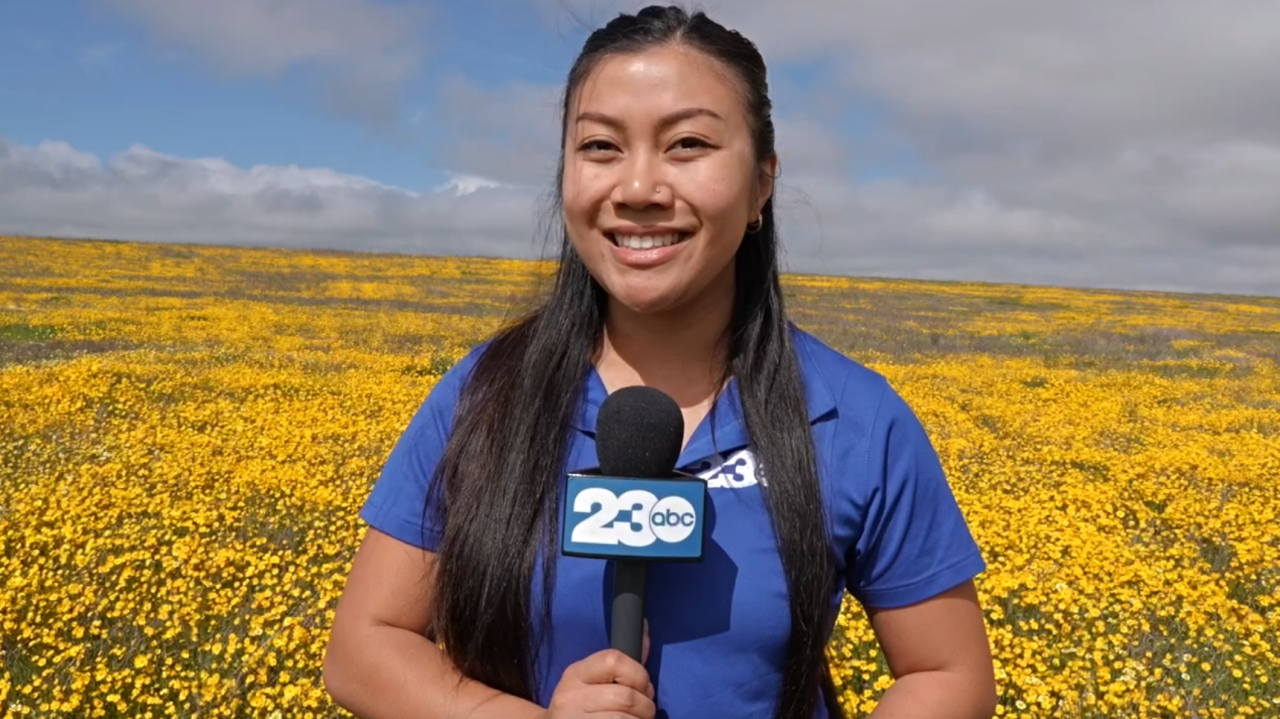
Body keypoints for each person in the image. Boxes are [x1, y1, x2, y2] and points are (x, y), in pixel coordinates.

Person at [322, 5, 997, 719]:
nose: (638, 188)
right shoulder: (485, 393)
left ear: (762, 182)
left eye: (687, 144)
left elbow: (948, 672)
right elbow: (364, 648)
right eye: (602, 148)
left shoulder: (855, 418)